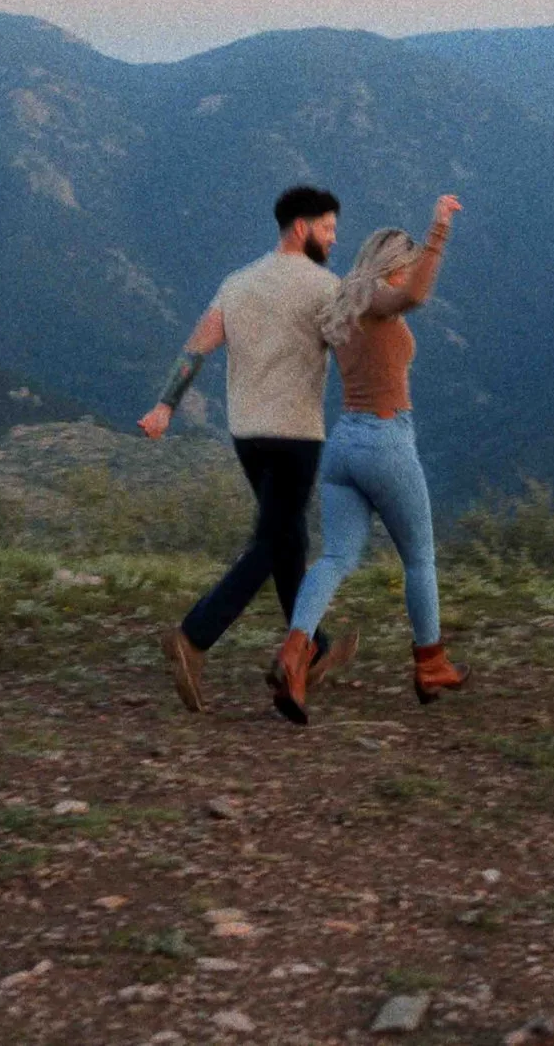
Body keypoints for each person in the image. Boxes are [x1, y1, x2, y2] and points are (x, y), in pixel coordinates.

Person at [142, 184, 356, 712]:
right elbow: (359, 354)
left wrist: (166, 405)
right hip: (297, 435)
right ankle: (194, 637)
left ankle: (312, 647)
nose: (334, 239)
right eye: (328, 228)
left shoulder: (236, 283)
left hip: (247, 435)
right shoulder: (326, 287)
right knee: (272, 542)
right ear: (302, 227)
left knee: (286, 540)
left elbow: (195, 350)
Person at [269, 192, 464, 725]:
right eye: (406, 264)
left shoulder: (345, 305)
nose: (409, 274)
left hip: (343, 447)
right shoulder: (378, 300)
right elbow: (418, 296)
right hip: (384, 439)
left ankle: (295, 652)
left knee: (336, 558)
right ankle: (431, 664)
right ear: (392, 265)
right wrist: (439, 231)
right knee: (419, 559)